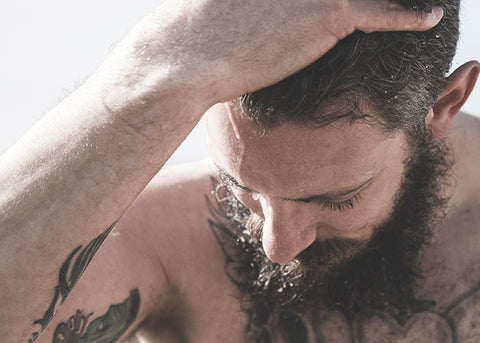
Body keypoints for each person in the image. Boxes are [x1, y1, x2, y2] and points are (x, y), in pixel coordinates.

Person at [0, 0, 478, 342]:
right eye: (239, 186)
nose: (277, 245)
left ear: (443, 106)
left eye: (335, 199)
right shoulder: (167, 239)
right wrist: (152, 72)